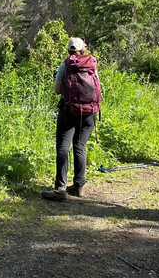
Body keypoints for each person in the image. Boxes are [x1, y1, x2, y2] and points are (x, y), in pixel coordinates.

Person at [42, 37, 101, 201]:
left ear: (69, 50)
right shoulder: (92, 65)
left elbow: (56, 91)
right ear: (84, 49)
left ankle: (60, 188)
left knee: (63, 148)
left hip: (69, 111)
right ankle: (79, 186)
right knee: (80, 147)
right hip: (89, 112)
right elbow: (97, 89)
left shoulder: (65, 66)